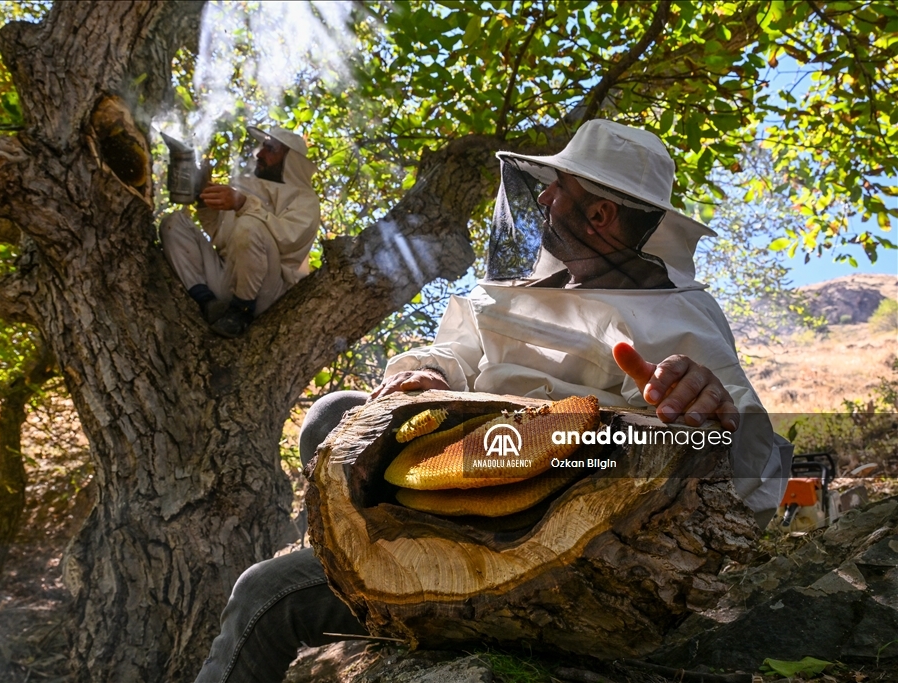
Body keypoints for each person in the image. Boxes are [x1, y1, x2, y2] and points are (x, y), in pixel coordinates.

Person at [192, 120, 787, 683]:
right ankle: (346, 554)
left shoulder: (679, 318)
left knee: (262, 592)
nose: (544, 201)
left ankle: (360, 583)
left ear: (601, 213)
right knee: (332, 416)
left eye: (559, 190)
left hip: (531, 539)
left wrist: (709, 415)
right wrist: (424, 374)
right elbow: (454, 350)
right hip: (450, 469)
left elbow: (757, 473)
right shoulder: (516, 292)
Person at [161, 125, 320, 338]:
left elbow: (288, 238)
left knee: (249, 224)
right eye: (263, 147)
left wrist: (243, 204)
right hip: (226, 276)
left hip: (265, 291)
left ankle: (241, 312)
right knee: (173, 223)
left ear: (290, 161)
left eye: (270, 149)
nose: (260, 154)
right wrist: (203, 199)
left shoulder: (305, 199)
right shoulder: (247, 187)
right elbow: (220, 234)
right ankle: (206, 300)